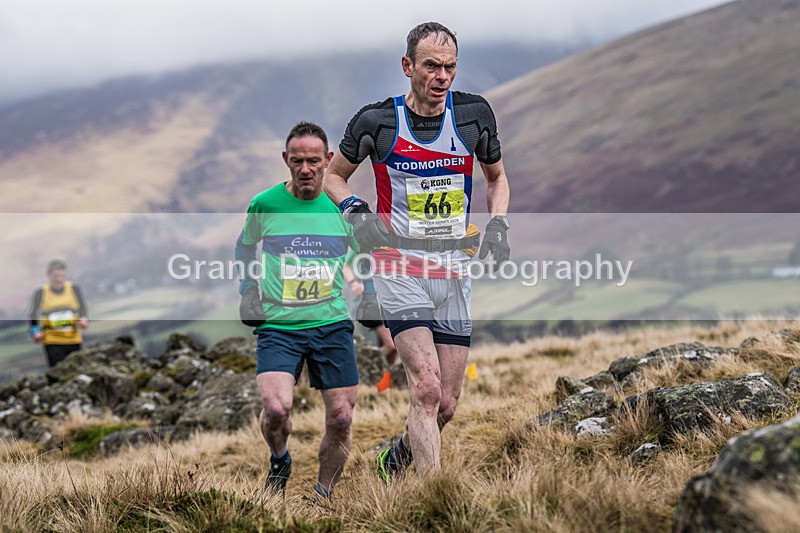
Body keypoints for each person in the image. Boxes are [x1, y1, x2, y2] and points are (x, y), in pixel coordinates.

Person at [323, 22, 511, 479]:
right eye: (431, 66)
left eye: (449, 67)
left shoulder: (472, 115)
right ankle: (432, 501)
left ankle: (398, 459)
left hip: (454, 268)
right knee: (424, 389)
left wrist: (499, 226)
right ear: (408, 67)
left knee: (446, 403)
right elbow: (334, 176)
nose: (441, 76)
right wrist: (354, 210)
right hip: (398, 265)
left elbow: (497, 178)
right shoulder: (378, 121)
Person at [235, 121, 359, 500]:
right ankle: (280, 458)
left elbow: (368, 255)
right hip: (279, 326)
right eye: (297, 161)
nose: (305, 169)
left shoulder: (344, 209)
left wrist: (367, 292)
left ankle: (323, 495)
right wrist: (247, 290)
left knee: (341, 417)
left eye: (314, 161)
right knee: (275, 409)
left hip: (331, 323)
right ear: (285, 160)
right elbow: (244, 248)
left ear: (329, 160)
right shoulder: (265, 203)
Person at [28, 259, 89, 367]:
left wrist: (84, 319)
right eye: (55, 276)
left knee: (77, 369)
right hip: (52, 340)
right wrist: (35, 332)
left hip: (74, 338)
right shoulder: (40, 292)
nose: (58, 279)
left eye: (62, 276)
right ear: (49, 275)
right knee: (58, 371)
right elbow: (32, 314)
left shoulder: (74, 289)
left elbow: (83, 308)